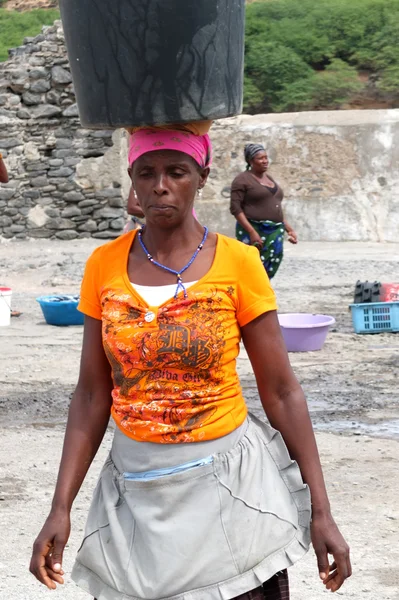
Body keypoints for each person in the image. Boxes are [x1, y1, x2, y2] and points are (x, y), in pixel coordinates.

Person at [30, 127, 351, 600]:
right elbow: (93, 393)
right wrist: (60, 506)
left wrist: (322, 512)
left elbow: (282, 391)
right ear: (133, 181)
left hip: (230, 491)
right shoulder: (103, 264)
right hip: (136, 493)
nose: (160, 184)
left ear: (201, 177)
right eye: (147, 172)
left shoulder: (240, 262)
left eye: (176, 172)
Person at [230, 143, 297, 279]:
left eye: (266, 158)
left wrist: (289, 229)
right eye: (260, 158)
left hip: (275, 230)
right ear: (250, 161)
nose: (265, 161)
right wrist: (252, 232)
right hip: (256, 229)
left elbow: (274, 205)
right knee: (253, 266)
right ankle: (252, 295)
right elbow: (235, 209)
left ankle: (262, 291)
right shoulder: (242, 180)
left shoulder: (269, 178)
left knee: (271, 263)